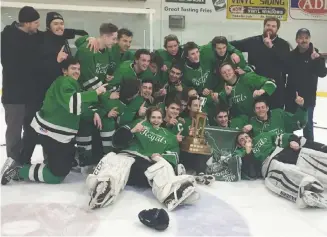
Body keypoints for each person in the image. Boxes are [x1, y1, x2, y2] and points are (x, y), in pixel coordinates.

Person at [1, 58, 108, 185]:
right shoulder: (64, 82)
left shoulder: (71, 84)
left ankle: (28, 167)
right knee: (57, 174)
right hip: (51, 133)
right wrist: (95, 92)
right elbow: (72, 103)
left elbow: (77, 107)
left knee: (64, 165)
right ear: (64, 71)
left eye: (78, 69)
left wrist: (92, 113)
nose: (77, 72)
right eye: (73, 68)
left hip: (59, 135)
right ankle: (18, 170)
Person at [85, 107, 199, 211]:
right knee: (116, 160)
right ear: (148, 117)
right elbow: (116, 141)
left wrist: (161, 157)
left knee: (163, 166)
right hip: (130, 159)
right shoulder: (138, 124)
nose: (156, 120)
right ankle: (103, 189)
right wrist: (132, 131)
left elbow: (174, 154)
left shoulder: (170, 136)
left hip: (146, 168)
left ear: (162, 119)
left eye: (159, 117)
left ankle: (170, 194)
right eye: (153, 117)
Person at [236, 131, 327, 208]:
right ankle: (307, 190)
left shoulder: (262, 137)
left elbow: (281, 136)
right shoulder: (241, 154)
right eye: (242, 139)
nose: (245, 139)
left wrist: (292, 140)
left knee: (305, 154)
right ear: (239, 145)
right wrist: (248, 151)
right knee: (281, 170)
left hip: (281, 152)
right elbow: (252, 173)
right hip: (268, 164)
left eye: (246, 137)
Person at [1, 6, 41, 169]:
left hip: (31, 94)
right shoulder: (8, 37)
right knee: (14, 131)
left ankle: (24, 160)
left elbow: (55, 35)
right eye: (36, 22)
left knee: (31, 129)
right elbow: (11, 64)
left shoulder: (34, 35)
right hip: (14, 94)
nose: (38, 25)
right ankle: (13, 164)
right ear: (27, 23)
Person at [230, 17, 290, 109]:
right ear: (264, 26)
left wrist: (271, 47)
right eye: (268, 25)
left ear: (277, 29)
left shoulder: (283, 44)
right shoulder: (254, 41)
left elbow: (285, 64)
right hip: (256, 87)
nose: (270, 28)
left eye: (273, 26)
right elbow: (233, 44)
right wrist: (233, 52)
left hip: (275, 89)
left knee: (275, 116)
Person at [284, 28, 327, 142]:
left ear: (309, 39)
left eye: (306, 38)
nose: (304, 40)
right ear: (296, 40)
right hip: (291, 96)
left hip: (308, 98)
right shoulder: (291, 55)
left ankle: (309, 148)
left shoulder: (316, 54)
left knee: (307, 125)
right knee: (289, 123)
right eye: (301, 38)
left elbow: (322, 74)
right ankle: (287, 146)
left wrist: (316, 60)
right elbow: (285, 71)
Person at [74, 23, 118, 91]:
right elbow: (87, 79)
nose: (115, 42)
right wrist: (108, 93)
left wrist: (105, 76)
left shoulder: (107, 50)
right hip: (83, 93)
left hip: (97, 90)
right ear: (105, 36)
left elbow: (97, 70)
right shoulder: (87, 50)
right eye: (114, 39)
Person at [242, 97, 308, 137]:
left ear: (267, 108)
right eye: (258, 108)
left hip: (284, 150)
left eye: (263, 107)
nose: (261, 110)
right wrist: (244, 131)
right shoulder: (252, 123)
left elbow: (299, 122)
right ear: (254, 110)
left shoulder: (279, 114)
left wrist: (301, 107)